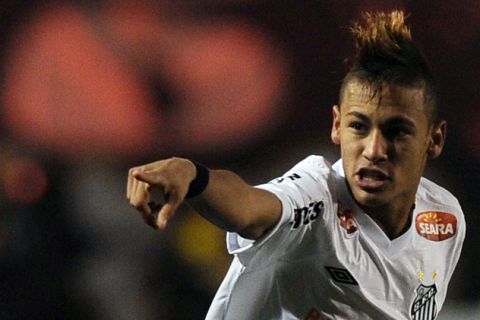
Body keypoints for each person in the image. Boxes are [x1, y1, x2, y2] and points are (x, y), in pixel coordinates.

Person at [127, 11, 465, 320]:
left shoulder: (444, 219)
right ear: (336, 126)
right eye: (359, 127)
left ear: (434, 140)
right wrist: (193, 175)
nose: (374, 149)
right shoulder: (316, 196)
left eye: (397, 131)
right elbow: (250, 208)